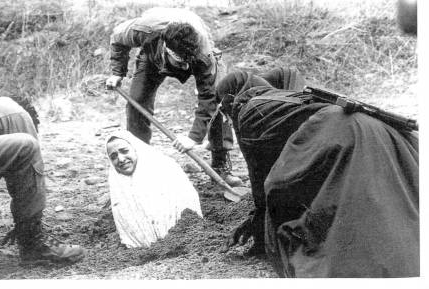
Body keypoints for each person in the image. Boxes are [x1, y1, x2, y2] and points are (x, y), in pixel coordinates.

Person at [216, 69, 419, 277]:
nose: (228, 118)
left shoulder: (248, 109)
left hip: (341, 133)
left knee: (346, 214)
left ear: (231, 99)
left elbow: (260, 176)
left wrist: (260, 229)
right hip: (370, 127)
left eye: (224, 108)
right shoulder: (284, 95)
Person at [105, 7, 242, 186]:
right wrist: (117, 72)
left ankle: (220, 165)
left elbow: (209, 99)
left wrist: (193, 138)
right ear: (167, 49)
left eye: (188, 63)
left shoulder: (203, 55)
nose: (185, 68)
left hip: (199, 55)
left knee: (220, 103)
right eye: (180, 62)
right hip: (153, 57)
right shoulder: (145, 31)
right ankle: (141, 165)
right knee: (136, 104)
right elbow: (116, 37)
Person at [0, 96, 85, 265]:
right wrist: (25, 226)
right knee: (28, 146)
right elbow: (32, 169)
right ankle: (33, 243)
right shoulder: (18, 113)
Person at [106, 130, 203, 248]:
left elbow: (189, 214)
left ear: (135, 149)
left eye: (125, 151)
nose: (121, 159)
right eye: (114, 156)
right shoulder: (118, 189)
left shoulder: (163, 169)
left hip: (184, 241)